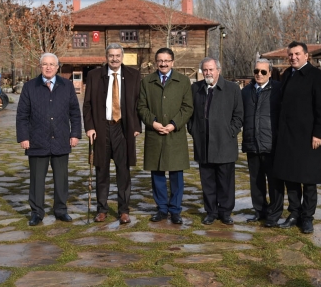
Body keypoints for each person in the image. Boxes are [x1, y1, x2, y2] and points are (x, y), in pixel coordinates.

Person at [272, 42, 321, 234]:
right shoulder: (287, 75)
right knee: (291, 177)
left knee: (308, 179)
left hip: (308, 137)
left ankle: (307, 217)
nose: (293, 57)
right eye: (290, 54)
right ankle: (294, 213)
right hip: (288, 136)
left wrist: (319, 133)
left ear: (307, 55)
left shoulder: (317, 76)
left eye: (297, 54)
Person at [16, 53, 81, 226]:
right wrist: (23, 137)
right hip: (36, 141)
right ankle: (37, 212)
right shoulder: (30, 87)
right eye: (45, 64)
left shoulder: (67, 86)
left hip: (61, 140)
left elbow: (75, 112)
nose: (49, 67)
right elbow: (22, 115)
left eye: (52, 64)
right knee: (37, 180)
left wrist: (75, 134)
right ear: (40, 66)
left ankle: (61, 210)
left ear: (57, 67)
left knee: (61, 179)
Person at [83, 43, 141, 224]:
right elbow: (87, 105)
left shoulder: (133, 75)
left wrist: (137, 126)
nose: (114, 59)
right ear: (106, 57)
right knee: (101, 170)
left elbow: (139, 103)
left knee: (123, 171)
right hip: (101, 128)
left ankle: (124, 210)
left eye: (117, 55)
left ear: (122, 57)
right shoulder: (94, 76)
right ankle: (102, 209)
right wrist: (89, 127)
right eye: (111, 55)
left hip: (123, 128)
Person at [137, 47, 193, 224]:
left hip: (175, 134)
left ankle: (175, 210)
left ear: (172, 62)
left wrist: (173, 124)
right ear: (156, 62)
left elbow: (188, 107)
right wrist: (152, 122)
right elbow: (141, 107)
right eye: (160, 60)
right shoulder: (147, 82)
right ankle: (161, 208)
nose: (163, 63)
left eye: (167, 60)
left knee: (177, 174)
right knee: (157, 174)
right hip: (155, 133)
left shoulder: (183, 81)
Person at [188, 57, 244, 226]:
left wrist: (230, 132)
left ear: (218, 70)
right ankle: (211, 211)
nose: (208, 73)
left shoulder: (232, 89)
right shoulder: (195, 88)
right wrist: (194, 131)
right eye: (205, 70)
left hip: (224, 143)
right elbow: (190, 114)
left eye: (211, 69)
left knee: (225, 181)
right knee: (208, 181)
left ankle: (225, 212)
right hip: (203, 143)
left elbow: (239, 115)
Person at [241, 58, 281, 227]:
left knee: (274, 181)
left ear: (270, 73)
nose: (259, 74)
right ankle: (260, 211)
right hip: (252, 142)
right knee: (256, 181)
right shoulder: (246, 91)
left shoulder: (278, 90)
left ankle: (274, 213)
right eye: (256, 71)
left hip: (272, 143)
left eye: (263, 72)